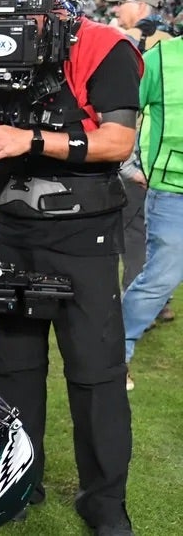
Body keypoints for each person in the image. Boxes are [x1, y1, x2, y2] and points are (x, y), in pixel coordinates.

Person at [0, 0, 141, 536]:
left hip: (84, 233)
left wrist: (30, 139)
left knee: (95, 373)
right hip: (12, 230)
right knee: (14, 369)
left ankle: (104, 501)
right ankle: (21, 480)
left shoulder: (104, 45)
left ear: (59, 6)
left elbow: (117, 142)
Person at [121, 36, 183, 386]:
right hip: (173, 191)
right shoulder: (160, 59)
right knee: (160, 279)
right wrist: (128, 166)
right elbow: (122, 111)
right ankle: (117, 354)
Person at [105, 0, 173, 52]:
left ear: (141, 7)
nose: (116, 10)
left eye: (121, 3)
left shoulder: (158, 41)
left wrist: (112, 35)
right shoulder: (169, 37)